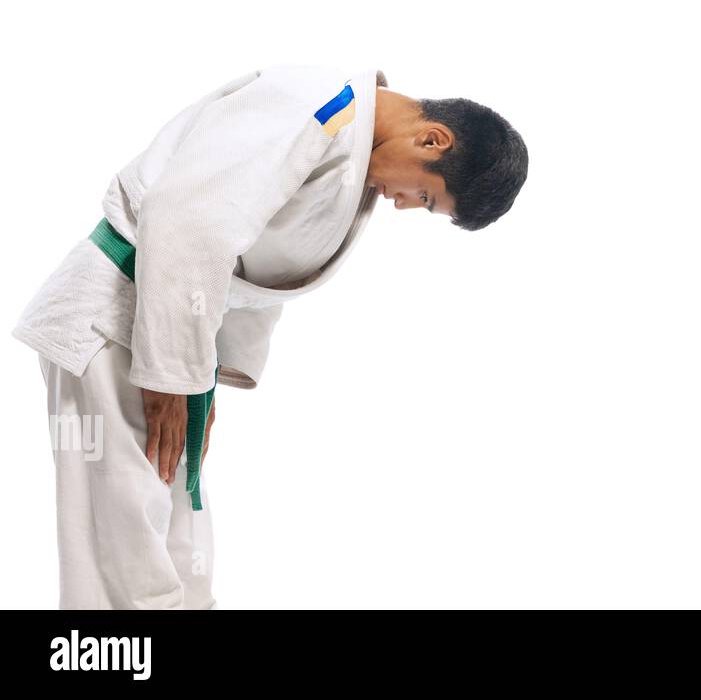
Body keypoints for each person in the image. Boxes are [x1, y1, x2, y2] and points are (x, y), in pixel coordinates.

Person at [14, 65, 528, 608]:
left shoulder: (347, 146)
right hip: (114, 319)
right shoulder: (317, 105)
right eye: (425, 197)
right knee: (122, 542)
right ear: (432, 139)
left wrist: (200, 371)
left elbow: (257, 269)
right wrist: (170, 373)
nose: (403, 204)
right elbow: (191, 217)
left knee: (178, 533)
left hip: (167, 332)